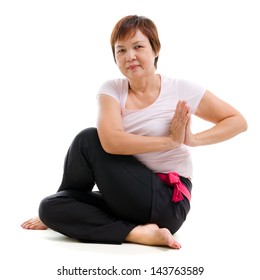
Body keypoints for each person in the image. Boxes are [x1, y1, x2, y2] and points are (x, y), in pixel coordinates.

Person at [21, 15, 247, 249]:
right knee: (49, 207)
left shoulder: (179, 89)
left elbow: (237, 121)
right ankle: (135, 233)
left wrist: (193, 140)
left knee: (87, 140)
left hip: (167, 202)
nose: (130, 56)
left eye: (138, 46)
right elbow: (111, 142)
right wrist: (170, 140)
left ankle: (121, 225)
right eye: (121, 50)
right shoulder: (112, 90)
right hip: (127, 196)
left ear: (155, 48)